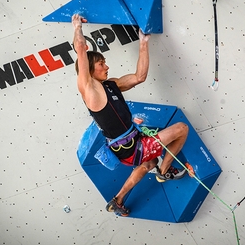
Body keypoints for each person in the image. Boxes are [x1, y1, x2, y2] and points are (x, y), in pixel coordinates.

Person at [72, 14, 188, 217]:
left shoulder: (111, 85)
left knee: (148, 163)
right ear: (89, 69)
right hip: (131, 148)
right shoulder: (89, 89)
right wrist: (76, 28)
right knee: (181, 129)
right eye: (101, 64)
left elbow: (139, 77)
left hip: (131, 145)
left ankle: (117, 200)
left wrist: (143, 42)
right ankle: (164, 172)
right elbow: (81, 50)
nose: (107, 67)